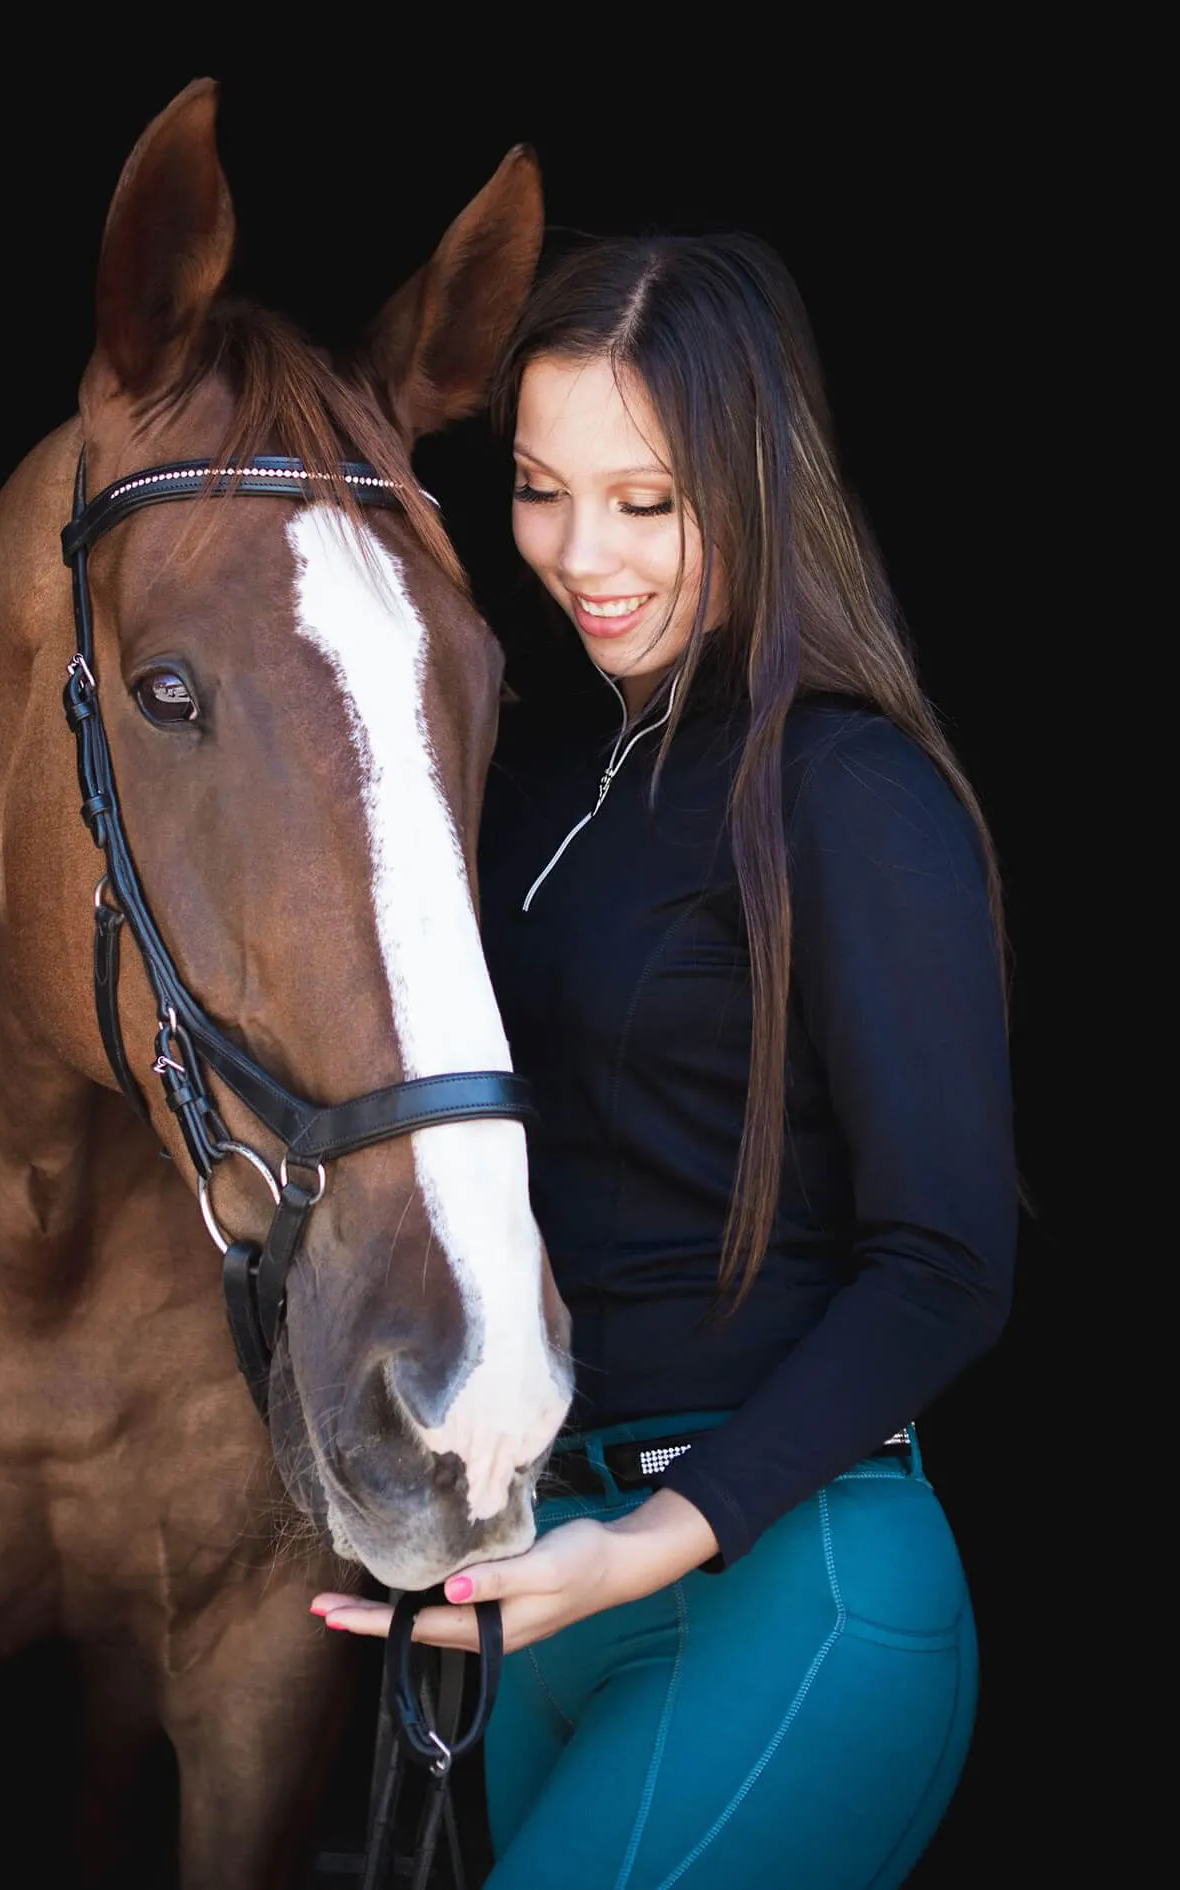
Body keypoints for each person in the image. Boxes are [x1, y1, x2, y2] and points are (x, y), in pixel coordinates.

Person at [311, 231, 1016, 1888]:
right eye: (543, 489)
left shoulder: (847, 793)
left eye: (650, 500)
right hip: (531, 1598)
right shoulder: (539, 785)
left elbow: (949, 1264)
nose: (581, 553)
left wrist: (648, 1540)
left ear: (759, 481)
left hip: (786, 1581)